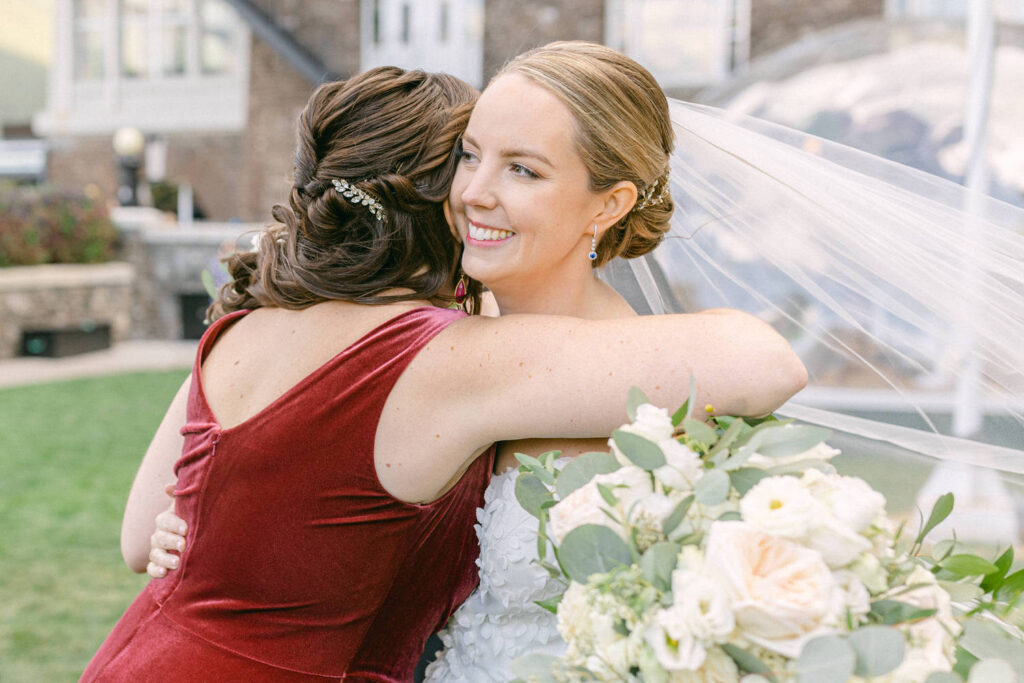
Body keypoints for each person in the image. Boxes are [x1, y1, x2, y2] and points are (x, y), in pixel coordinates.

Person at [85, 60, 806, 681]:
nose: (476, 189)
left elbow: (139, 536)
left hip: (140, 652)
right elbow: (761, 362)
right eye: (468, 157)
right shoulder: (448, 355)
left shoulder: (245, 325)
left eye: (518, 166)